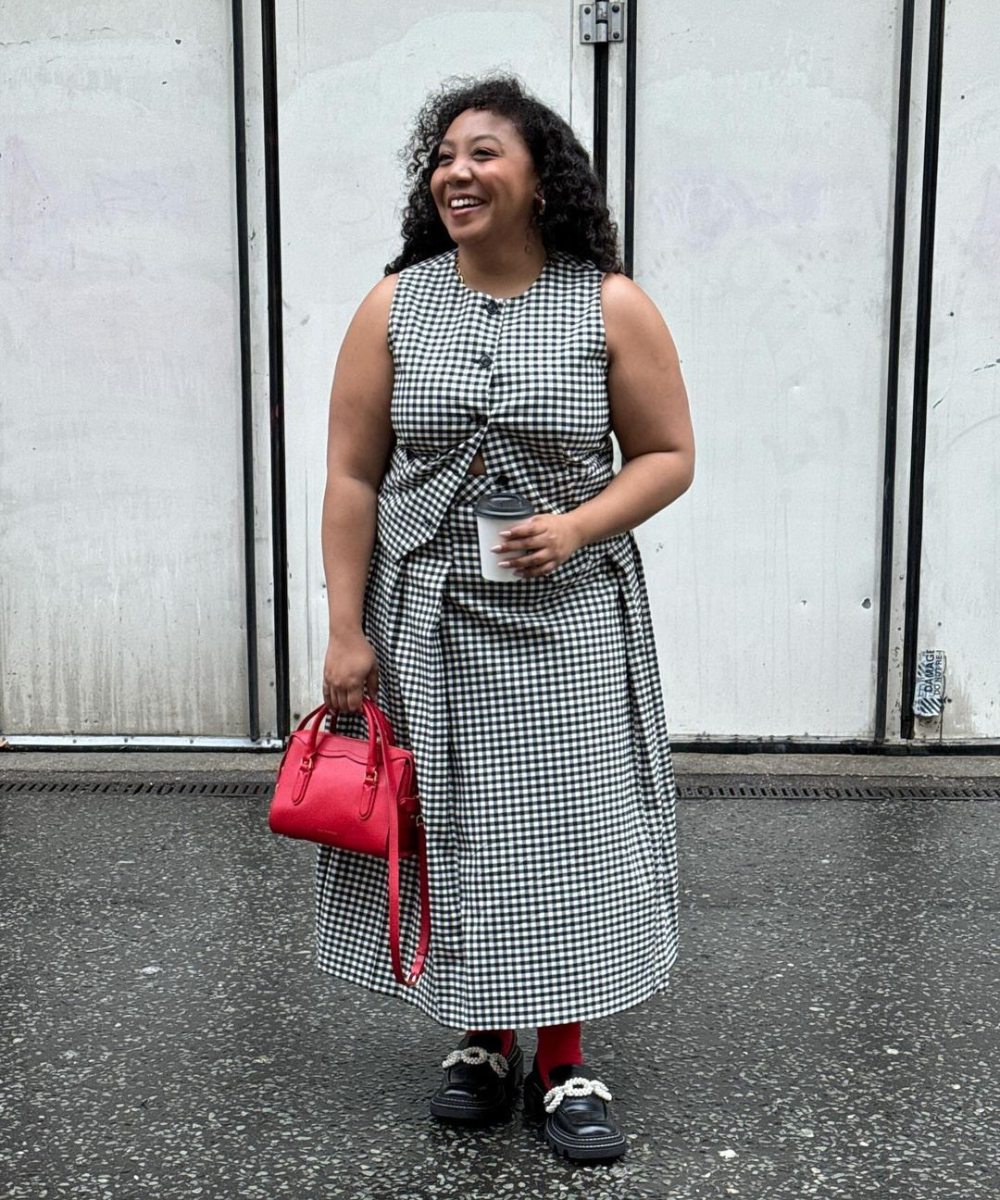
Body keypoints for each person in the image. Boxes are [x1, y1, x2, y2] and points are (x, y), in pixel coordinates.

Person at [316, 72, 694, 1163]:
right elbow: (350, 476)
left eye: (481, 151)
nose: (455, 171)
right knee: (454, 826)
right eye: (441, 154)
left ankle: (566, 1058)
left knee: (566, 829)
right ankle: (482, 1040)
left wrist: (578, 526)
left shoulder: (607, 302)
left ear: (540, 177)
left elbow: (668, 456)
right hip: (426, 613)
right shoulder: (394, 304)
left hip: (568, 614)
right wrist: (348, 630)